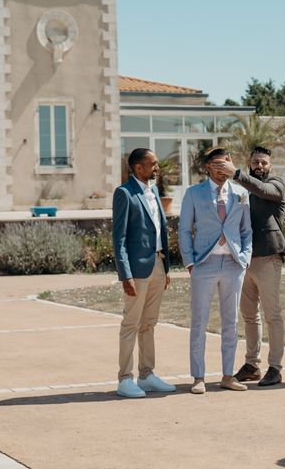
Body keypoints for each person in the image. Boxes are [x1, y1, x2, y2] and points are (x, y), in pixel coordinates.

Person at [178, 147, 253, 394]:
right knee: (199, 320)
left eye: (227, 165)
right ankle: (198, 377)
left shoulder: (241, 193)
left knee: (231, 321)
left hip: (233, 264)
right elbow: (184, 230)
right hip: (204, 264)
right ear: (208, 167)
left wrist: (244, 257)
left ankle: (228, 375)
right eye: (218, 166)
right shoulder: (193, 193)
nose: (223, 170)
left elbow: (245, 230)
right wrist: (190, 262)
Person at [211, 146, 285, 386]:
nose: (260, 166)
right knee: (249, 316)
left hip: (268, 259)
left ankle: (275, 367)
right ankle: (252, 365)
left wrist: (238, 173)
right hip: (244, 260)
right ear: (250, 162)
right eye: (256, 162)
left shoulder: (275, 185)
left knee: (272, 315)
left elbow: (263, 189)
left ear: (270, 165)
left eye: (264, 162)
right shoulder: (242, 190)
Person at [112, 148, 175, 398]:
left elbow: (160, 230)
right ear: (138, 168)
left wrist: (166, 268)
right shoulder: (124, 193)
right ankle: (124, 379)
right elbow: (120, 238)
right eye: (153, 164)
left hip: (158, 265)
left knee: (149, 324)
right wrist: (125, 274)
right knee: (131, 324)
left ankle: (146, 375)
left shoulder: (154, 191)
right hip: (136, 270)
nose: (157, 168)